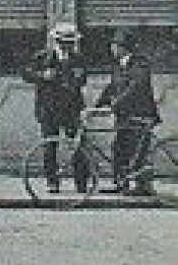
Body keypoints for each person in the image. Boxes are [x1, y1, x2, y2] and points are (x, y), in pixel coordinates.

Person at [21, 22, 89, 194]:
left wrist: (75, 79)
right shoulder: (42, 57)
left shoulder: (78, 59)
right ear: (57, 42)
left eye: (71, 43)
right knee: (49, 147)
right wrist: (42, 75)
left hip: (71, 109)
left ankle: (81, 183)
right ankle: (52, 182)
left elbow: (82, 79)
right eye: (65, 42)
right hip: (48, 109)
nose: (68, 46)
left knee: (78, 146)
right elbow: (26, 73)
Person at [96, 28, 161, 195]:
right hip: (125, 117)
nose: (112, 48)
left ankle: (143, 187)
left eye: (115, 45)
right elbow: (111, 88)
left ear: (125, 48)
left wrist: (115, 104)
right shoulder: (118, 66)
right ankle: (121, 184)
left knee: (138, 152)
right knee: (119, 148)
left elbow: (135, 88)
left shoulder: (140, 64)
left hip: (141, 116)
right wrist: (96, 106)